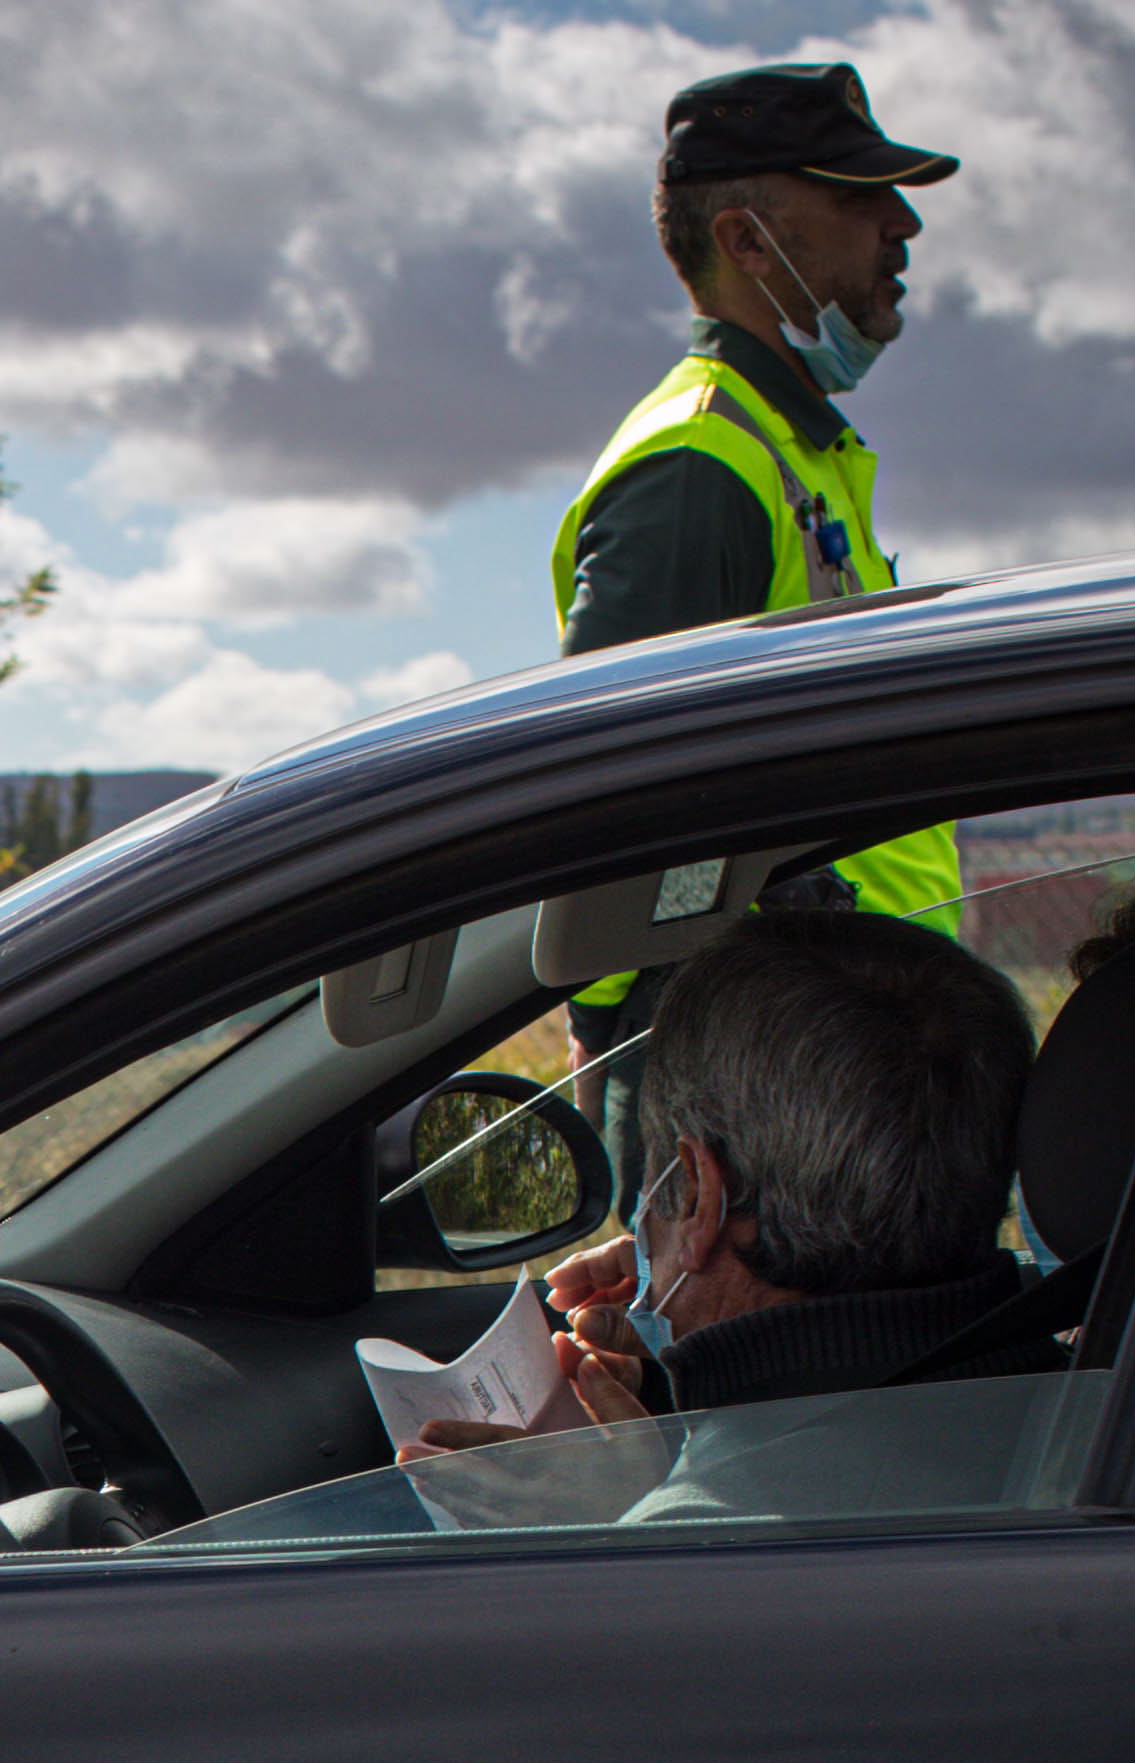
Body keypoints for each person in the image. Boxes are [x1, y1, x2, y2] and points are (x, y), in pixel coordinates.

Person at [547, 61, 970, 1074]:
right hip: (778, 1095)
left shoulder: (793, 451)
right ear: (746, 239)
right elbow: (606, 808)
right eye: (859, 195)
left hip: (850, 1064)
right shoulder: (699, 469)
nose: (901, 225)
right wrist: (624, 1073)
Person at [410, 904, 1044, 1460]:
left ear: (696, 1193)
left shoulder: (698, 1544)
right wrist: (688, 1383)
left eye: (657, 1186)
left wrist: (623, 1525)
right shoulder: (1070, 1389)